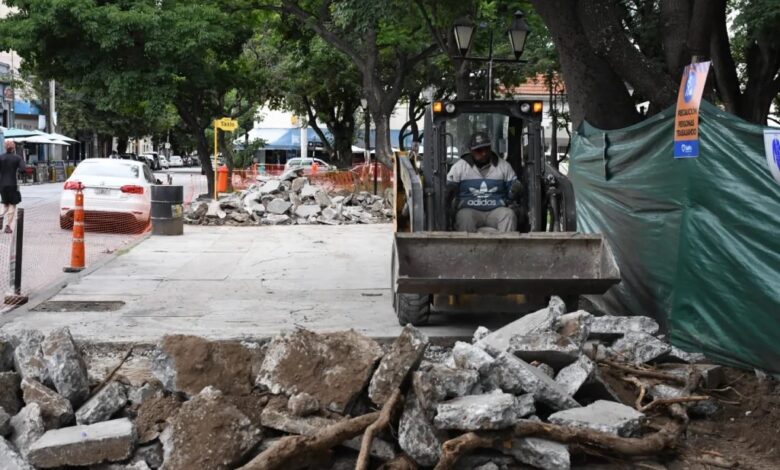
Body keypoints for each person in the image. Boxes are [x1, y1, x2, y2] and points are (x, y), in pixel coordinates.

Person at [446, 131, 521, 232]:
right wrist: (449, 189)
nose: (484, 153)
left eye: (486, 149)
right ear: (470, 150)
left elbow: (512, 193)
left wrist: (515, 189)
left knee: (508, 215)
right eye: (479, 150)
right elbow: (448, 192)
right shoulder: (459, 167)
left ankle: (505, 247)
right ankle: (468, 248)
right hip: (470, 210)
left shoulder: (504, 166)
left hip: (496, 210)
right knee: (464, 217)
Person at [0, 140, 26, 233]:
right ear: (14, 147)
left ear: (5, 147)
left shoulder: (1, 157)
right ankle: (8, 226)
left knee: (5, 203)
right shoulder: (17, 158)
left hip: (2, 184)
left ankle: (1, 216)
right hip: (12, 184)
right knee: (12, 204)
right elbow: (23, 169)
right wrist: (19, 171)